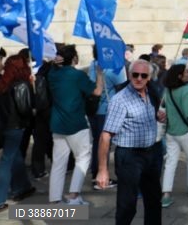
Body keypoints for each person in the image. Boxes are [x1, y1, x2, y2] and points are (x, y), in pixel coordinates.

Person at [96, 59, 164, 225]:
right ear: (129, 75)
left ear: (149, 77)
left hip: (151, 153)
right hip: (129, 157)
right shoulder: (120, 100)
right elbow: (105, 136)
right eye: (135, 75)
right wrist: (102, 170)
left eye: (143, 75)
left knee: (154, 201)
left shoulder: (151, 92)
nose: (139, 78)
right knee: (127, 205)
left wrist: (157, 115)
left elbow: (147, 114)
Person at [48, 45, 103, 205]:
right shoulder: (77, 75)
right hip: (76, 123)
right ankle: (73, 195)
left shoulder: (53, 74)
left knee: (59, 163)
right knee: (83, 157)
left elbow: (50, 68)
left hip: (58, 124)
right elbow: (97, 92)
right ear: (73, 59)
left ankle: (55, 200)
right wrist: (100, 74)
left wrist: (53, 63)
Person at [160, 63, 188, 208]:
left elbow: (164, 107)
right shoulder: (187, 89)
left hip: (171, 131)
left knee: (171, 163)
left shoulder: (168, 89)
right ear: (179, 76)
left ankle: (166, 193)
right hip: (186, 130)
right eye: (186, 72)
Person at [0, 55, 36, 212]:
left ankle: (22, 187)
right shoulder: (21, 84)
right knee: (7, 160)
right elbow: (25, 109)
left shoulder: (2, 83)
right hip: (15, 126)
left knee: (16, 156)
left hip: (2, 125)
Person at [88, 46, 127, 191]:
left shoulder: (93, 65)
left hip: (93, 110)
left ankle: (95, 174)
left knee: (97, 143)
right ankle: (100, 177)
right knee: (104, 144)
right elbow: (123, 87)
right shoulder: (112, 70)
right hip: (106, 111)